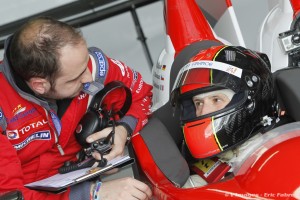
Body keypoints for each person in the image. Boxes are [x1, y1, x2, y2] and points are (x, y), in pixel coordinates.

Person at [0, 16, 153, 199]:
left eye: (85, 62)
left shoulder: (92, 66)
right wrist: (91, 194)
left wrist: (124, 129)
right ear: (39, 85)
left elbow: (143, 95)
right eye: (75, 77)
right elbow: (10, 195)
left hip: (92, 177)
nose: (89, 77)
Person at [169, 45, 284, 187]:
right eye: (198, 103)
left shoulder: (286, 152)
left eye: (216, 100)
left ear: (251, 99)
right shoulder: (195, 183)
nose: (204, 111)